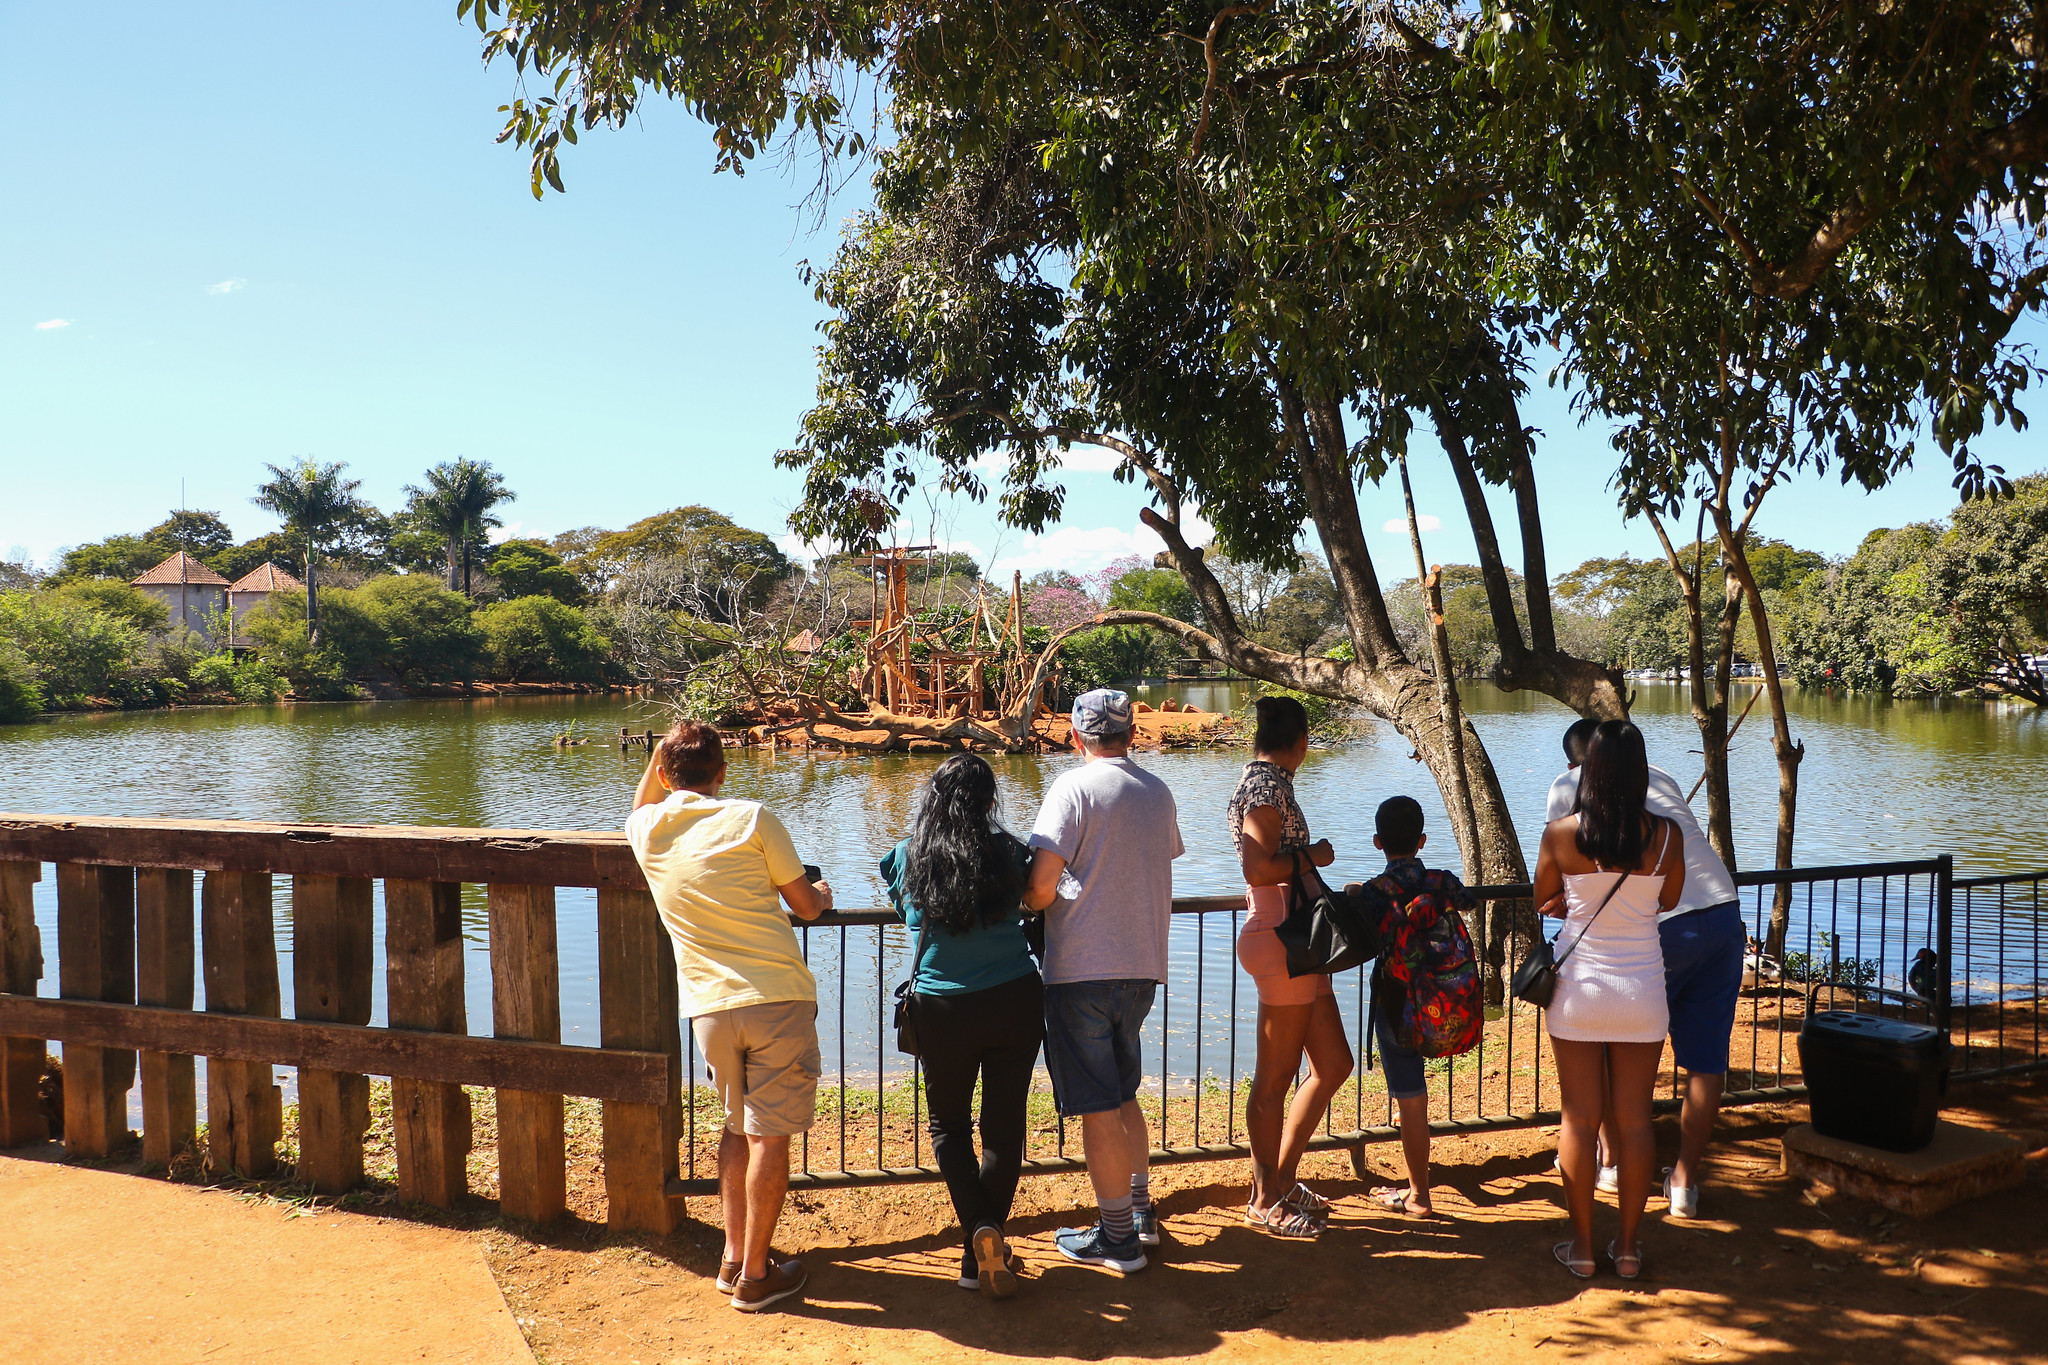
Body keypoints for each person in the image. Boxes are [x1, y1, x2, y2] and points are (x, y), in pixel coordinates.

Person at [626, 720, 833, 1313]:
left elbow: (643, 801)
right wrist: (821, 893)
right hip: (775, 998)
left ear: (665, 774)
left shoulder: (646, 828)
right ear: (722, 772)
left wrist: (662, 752)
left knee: (736, 1127)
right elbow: (805, 907)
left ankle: (732, 1258)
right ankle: (757, 1277)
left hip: (708, 1007)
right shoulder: (752, 818)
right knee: (769, 1135)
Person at [1546, 716, 1743, 1219]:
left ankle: (1611, 1162)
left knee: (1609, 1044)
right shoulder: (1662, 778)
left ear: (1579, 761)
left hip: (1657, 931)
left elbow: (1563, 880)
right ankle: (1684, 1183)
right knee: (1706, 1060)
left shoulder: (1567, 786)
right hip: (1722, 914)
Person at [1023, 688, 1185, 1274]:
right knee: (1122, 1094)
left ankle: (1117, 1240)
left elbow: (1042, 886)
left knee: (1096, 1107)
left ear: (1076, 737)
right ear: (1131, 733)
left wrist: (1025, 901)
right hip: (1142, 967)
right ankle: (1140, 1216)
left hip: (1081, 971)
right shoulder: (1158, 791)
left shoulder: (1072, 788)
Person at [881, 753, 1042, 1299]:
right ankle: (982, 1254)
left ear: (932, 798)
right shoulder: (1011, 852)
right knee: (1003, 1128)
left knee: (949, 1128)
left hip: (943, 1008)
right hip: (1015, 998)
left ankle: (978, 1233)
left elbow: (904, 911)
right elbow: (1032, 896)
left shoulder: (907, 856)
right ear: (990, 800)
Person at [1535, 719, 1687, 1280]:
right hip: (1641, 990)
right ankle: (1626, 1249)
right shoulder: (1667, 836)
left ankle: (1580, 1247)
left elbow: (1543, 897)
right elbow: (1668, 899)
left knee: (1579, 1119)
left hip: (1579, 991)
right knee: (1635, 1121)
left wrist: (1572, 897)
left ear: (1589, 771)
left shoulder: (1561, 834)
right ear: (1641, 771)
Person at [1227, 694, 1353, 1238]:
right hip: (1282, 937)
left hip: (1300, 938)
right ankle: (1264, 1199)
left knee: (1334, 1064)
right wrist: (1314, 855)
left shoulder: (1268, 782)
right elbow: (1259, 869)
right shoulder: (1265, 787)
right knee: (1276, 1077)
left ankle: (1280, 1179)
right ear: (1301, 741)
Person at [1352, 795, 1476, 1219]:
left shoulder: (1375, 892)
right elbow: (1468, 901)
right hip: (1443, 1001)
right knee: (1415, 1100)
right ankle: (1417, 1188)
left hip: (1398, 1003)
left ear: (1377, 842)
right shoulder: (1441, 882)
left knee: (1410, 1099)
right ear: (1422, 840)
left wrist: (1354, 895)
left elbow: (1364, 933)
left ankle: (1419, 1195)